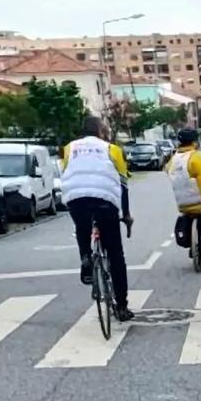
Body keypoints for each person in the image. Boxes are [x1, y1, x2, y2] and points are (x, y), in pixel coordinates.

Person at [61, 116, 135, 322]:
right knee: (115, 254)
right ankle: (121, 306)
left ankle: (85, 257)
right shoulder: (112, 149)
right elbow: (123, 184)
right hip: (104, 201)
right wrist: (126, 214)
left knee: (82, 227)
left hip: (74, 199)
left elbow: (68, 173)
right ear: (101, 131)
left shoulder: (69, 148)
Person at [166, 128, 201, 253]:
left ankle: (191, 243)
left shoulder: (173, 160)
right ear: (194, 142)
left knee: (188, 214)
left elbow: (171, 173)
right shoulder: (197, 158)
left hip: (182, 205)